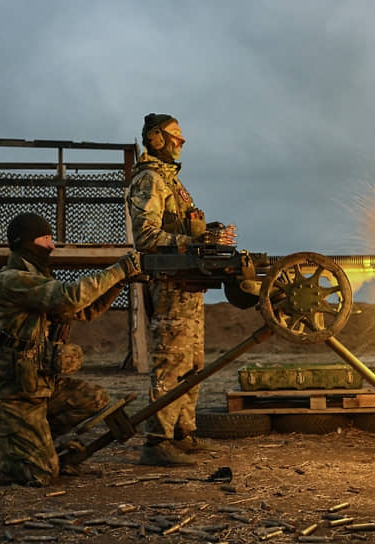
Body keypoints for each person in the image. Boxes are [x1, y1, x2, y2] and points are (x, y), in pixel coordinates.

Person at [0, 212, 143, 486]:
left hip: (38, 386)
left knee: (94, 399)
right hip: (10, 396)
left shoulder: (38, 280)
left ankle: (37, 443)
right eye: (45, 239)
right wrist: (120, 269)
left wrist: (119, 282)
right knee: (41, 474)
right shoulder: (12, 280)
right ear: (26, 243)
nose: (52, 246)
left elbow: (86, 309)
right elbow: (69, 298)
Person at [127, 113, 236, 466]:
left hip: (188, 286)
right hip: (171, 284)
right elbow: (146, 237)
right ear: (156, 139)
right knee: (170, 363)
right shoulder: (150, 181)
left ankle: (182, 432)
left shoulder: (172, 182)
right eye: (175, 135)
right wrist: (193, 244)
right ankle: (157, 441)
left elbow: (183, 229)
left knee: (192, 362)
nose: (181, 141)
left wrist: (206, 235)